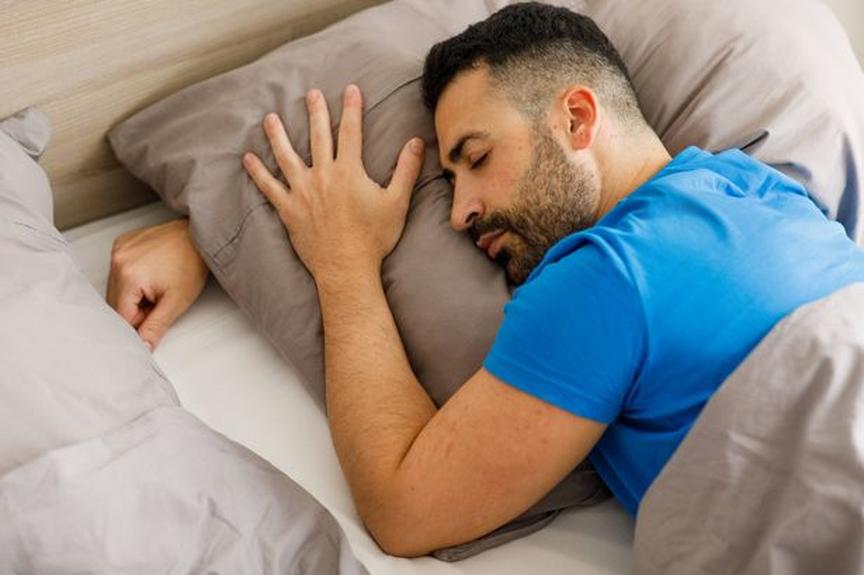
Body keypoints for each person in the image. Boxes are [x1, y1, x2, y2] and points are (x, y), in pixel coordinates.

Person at [107, 2, 864, 557]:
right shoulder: (756, 185)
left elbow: (403, 509)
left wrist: (343, 265)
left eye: (476, 157)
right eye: (449, 177)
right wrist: (208, 235)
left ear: (576, 119)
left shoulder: (605, 275)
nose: (460, 210)